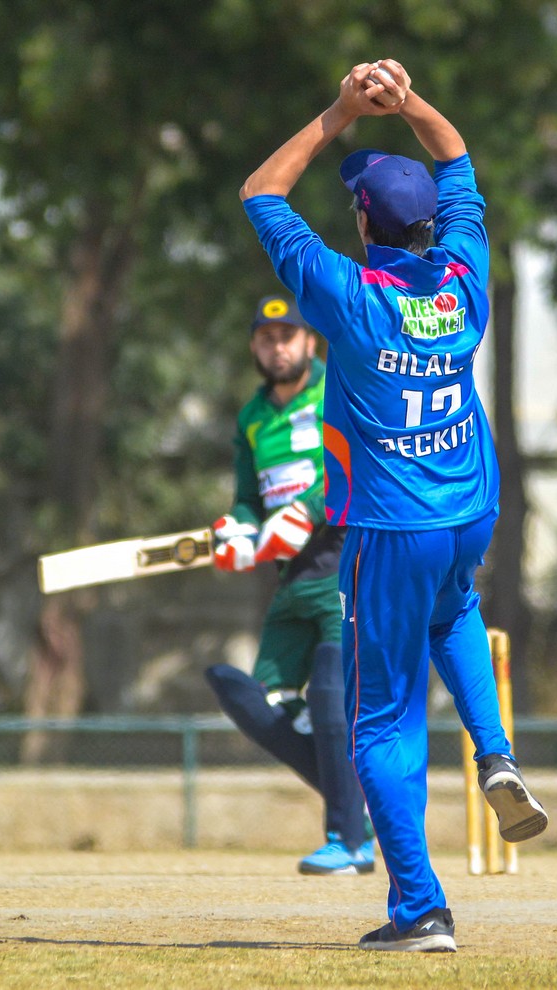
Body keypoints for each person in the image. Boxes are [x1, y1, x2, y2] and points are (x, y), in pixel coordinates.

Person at [239, 59, 548, 952]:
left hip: (392, 525)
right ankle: (494, 751)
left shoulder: (347, 295)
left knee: (379, 723)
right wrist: (407, 103)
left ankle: (419, 908)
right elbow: (456, 156)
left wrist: (343, 109)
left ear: (366, 222)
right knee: (456, 609)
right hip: (468, 510)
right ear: (430, 223)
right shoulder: (464, 276)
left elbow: (261, 191)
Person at [203, 293, 373, 877]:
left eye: (288, 336)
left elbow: (361, 467)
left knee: (328, 692)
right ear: (254, 346)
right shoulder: (251, 417)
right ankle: (361, 810)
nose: (278, 347)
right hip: (291, 581)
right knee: (255, 700)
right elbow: (248, 500)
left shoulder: (338, 389)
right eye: (267, 338)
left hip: (344, 566)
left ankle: (348, 840)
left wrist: (306, 511)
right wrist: (236, 529)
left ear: (310, 342)